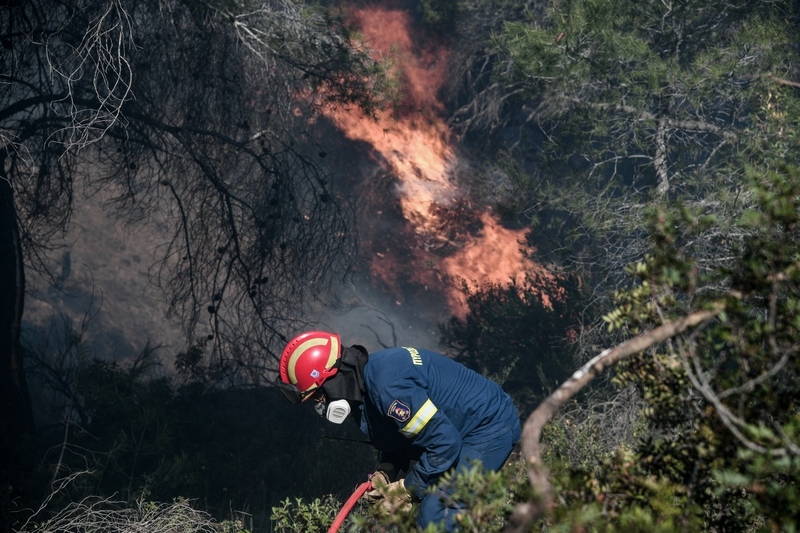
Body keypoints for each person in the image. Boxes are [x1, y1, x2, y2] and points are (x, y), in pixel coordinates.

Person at [277, 330, 521, 531]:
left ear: (332, 378)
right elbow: (402, 441)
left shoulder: (388, 388)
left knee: (435, 513)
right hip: (461, 432)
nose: (320, 404)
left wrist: (407, 490)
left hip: (489, 427)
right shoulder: (364, 392)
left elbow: (444, 443)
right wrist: (387, 472)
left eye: (318, 395)